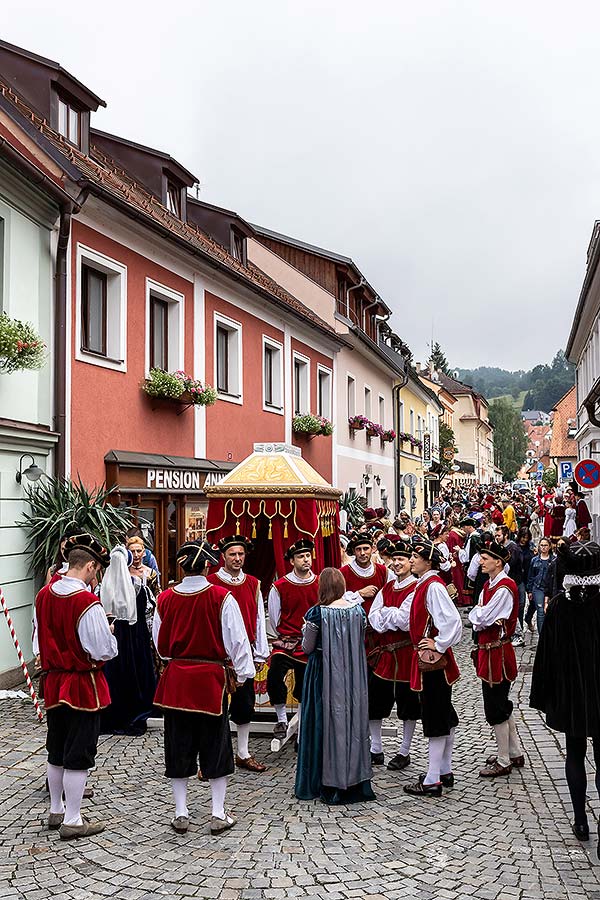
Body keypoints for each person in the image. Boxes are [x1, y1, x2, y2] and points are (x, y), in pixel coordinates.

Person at [153, 540, 254, 835]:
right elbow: (237, 641)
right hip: (211, 681)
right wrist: (244, 674)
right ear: (209, 565)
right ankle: (217, 812)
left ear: (182, 567)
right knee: (216, 745)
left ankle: (181, 812)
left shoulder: (165, 598)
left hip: (176, 681)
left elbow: (160, 646)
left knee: (178, 745)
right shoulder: (221, 598)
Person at [34, 533, 116, 839]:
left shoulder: (44, 594)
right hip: (81, 683)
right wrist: (110, 634)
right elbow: (101, 649)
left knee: (56, 748)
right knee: (79, 752)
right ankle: (72, 818)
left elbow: (39, 633)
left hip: (54, 682)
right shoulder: (86, 601)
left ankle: (56, 810)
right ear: (91, 567)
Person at [530, 541, 600, 848]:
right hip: (599, 692)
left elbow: (545, 656)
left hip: (571, 692)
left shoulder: (558, 606)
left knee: (574, 753)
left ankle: (581, 820)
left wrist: (543, 694)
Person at [295, 568, 375, 804]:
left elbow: (307, 647)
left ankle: (322, 781)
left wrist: (303, 632)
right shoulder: (358, 611)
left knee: (322, 722)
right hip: (352, 675)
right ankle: (354, 780)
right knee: (351, 720)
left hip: (322, 674)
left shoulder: (316, 614)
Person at [403, 538, 462, 797]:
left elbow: (453, 622)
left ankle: (432, 779)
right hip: (430, 661)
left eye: (416, 556)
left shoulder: (433, 587)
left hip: (432, 664)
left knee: (436, 717)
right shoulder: (425, 584)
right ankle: (444, 770)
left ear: (428, 560)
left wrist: (438, 644)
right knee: (444, 715)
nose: (411, 560)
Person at [207, 534, 269, 772]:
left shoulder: (253, 583)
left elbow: (258, 619)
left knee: (244, 707)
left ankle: (243, 752)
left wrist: (260, 653)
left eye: (241, 554)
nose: (237, 558)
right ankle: (212, 756)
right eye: (232, 554)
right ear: (223, 557)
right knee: (216, 706)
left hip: (244, 654)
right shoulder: (211, 582)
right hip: (218, 653)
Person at [469, 544, 524, 777]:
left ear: (498, 562)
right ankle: (513, 751)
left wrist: (478, 614)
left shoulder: (503, 588)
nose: (481, 562)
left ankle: (504, 760)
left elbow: (482, 616)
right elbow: (478, 618)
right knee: (500, 702)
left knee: (496, 706)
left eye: (484, 559)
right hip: (488, 651)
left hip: (498, 654)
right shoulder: (488, 586)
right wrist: (478, 614)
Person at [368, 540, 420, 771]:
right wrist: (389, 616)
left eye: (401, 559)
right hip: (386, 657)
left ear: (411, 562)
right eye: (394, 559)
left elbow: (405, 620)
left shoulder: (416, 588)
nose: (397, 563)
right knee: (375, 703)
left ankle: (404, 751)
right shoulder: (386, 589)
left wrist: (387, 615)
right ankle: (376, 748)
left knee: (408, 706)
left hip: (407, 655)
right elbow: (373, 618)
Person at [99, 545, 157, 735]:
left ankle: (112, 713)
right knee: (135, 673)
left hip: (112, 638)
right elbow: (149, 614)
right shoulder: (139, 586)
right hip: (135, 640)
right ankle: (134, 711)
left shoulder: (102, 588)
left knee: (113, 675)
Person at [267, 539, 319, 739]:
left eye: (307, 556)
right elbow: (274, 618)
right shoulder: (280, 586)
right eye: (300, 557)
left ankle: (303, 723)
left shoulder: (319, 583)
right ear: (292, 561)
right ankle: (281, 719)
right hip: (287, 643)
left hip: (310, 644)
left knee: (305, 683)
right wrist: (286, 635)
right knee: (274, 675)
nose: (306, 560)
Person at [525, 537, 553, 635]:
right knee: (540, 611)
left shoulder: (553, 560)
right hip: (538, 588)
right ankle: (542, 636)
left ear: (549, 547)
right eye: (542, 545)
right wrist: (529, 590)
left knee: (549, 611)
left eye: (545, 545)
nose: (543, 547)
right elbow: (531, 576)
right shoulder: (534, 560)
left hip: (549, 588)